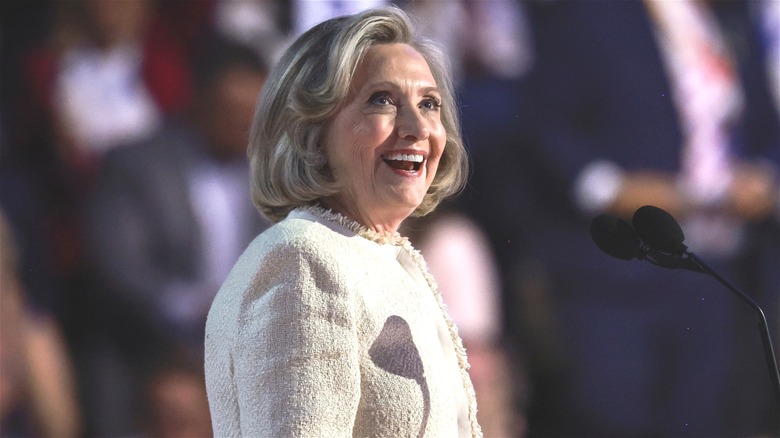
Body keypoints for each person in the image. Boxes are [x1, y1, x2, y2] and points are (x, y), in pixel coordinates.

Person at [205, 6, 482, 437]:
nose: (417, 127)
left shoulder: (378, 258)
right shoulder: (303, 260)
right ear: (311, 131)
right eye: (382, 100)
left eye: (429, 104)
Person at [81, 35, 270, 436]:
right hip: (150, 345)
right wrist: (188, 307)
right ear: (199, 101)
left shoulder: (272, 178)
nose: (244, 124)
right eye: (232, 109)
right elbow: (119, 267)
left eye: (252, 111)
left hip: (242, 350)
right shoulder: (138, 165)